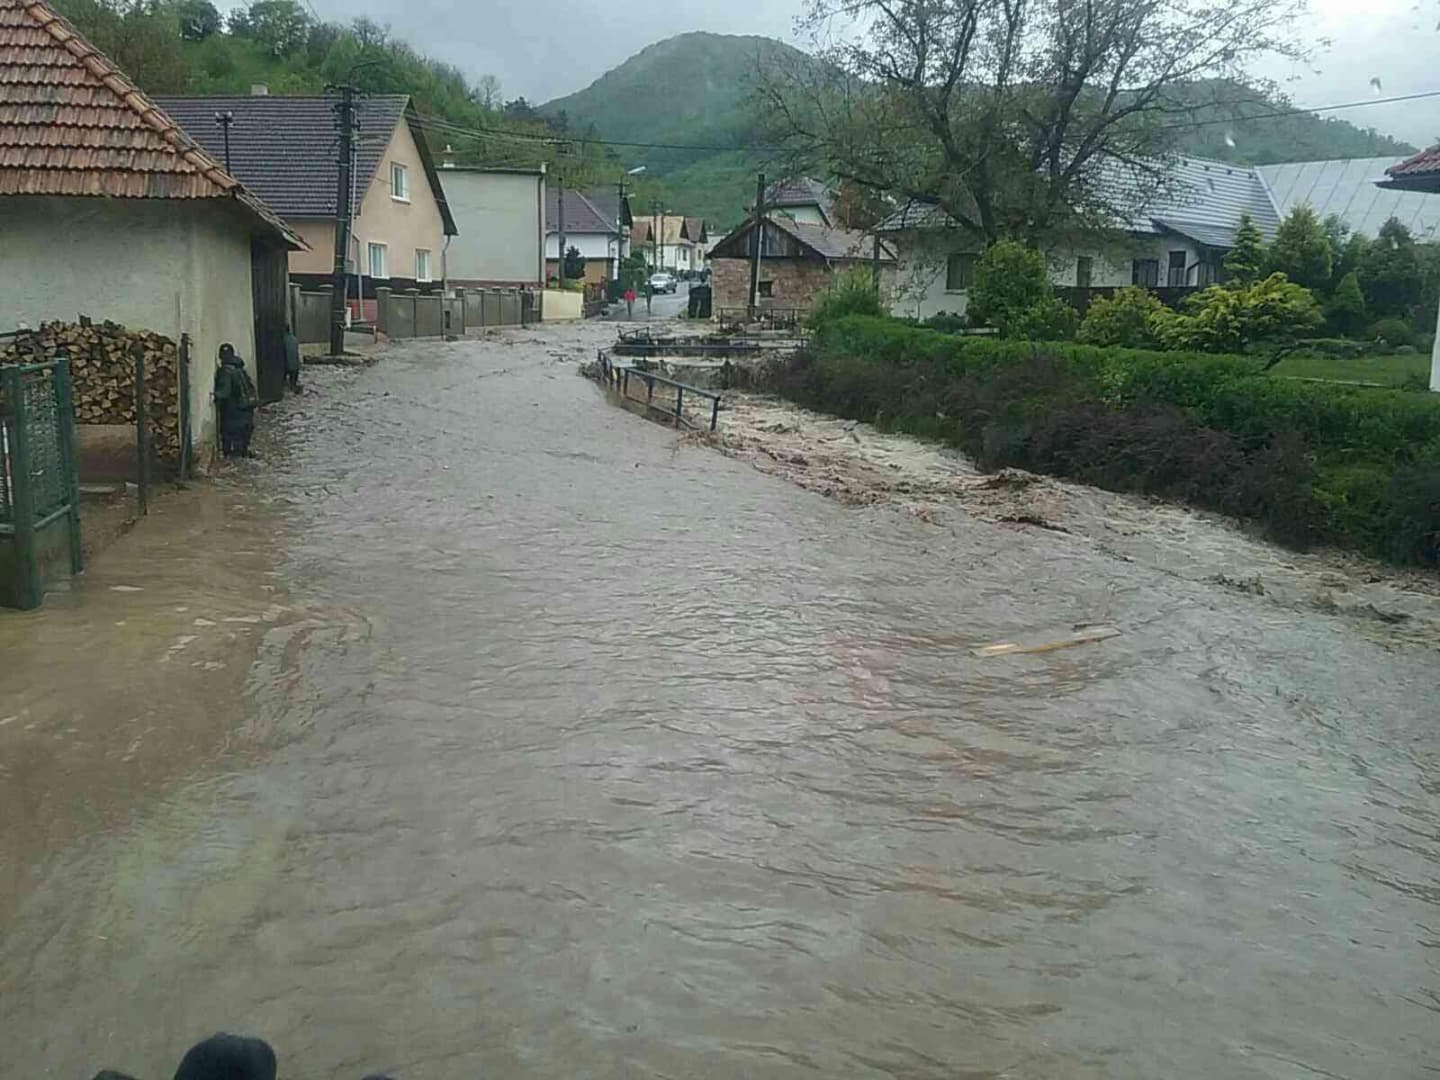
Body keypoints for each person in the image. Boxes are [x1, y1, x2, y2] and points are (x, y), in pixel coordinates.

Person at [213, 343, 258, 458]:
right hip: (247, 411)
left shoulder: (225, 371)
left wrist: (215, 395)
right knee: (243, 442)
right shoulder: (240, 368)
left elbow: (225, 392)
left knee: (233, 447)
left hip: (233, 413)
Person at [283, 325, 302, 394]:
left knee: (284, 385)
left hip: (287, 365)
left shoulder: (283, 340)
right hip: (296, 366)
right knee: (293, 384)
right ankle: (294, 387)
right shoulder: (294, 339)